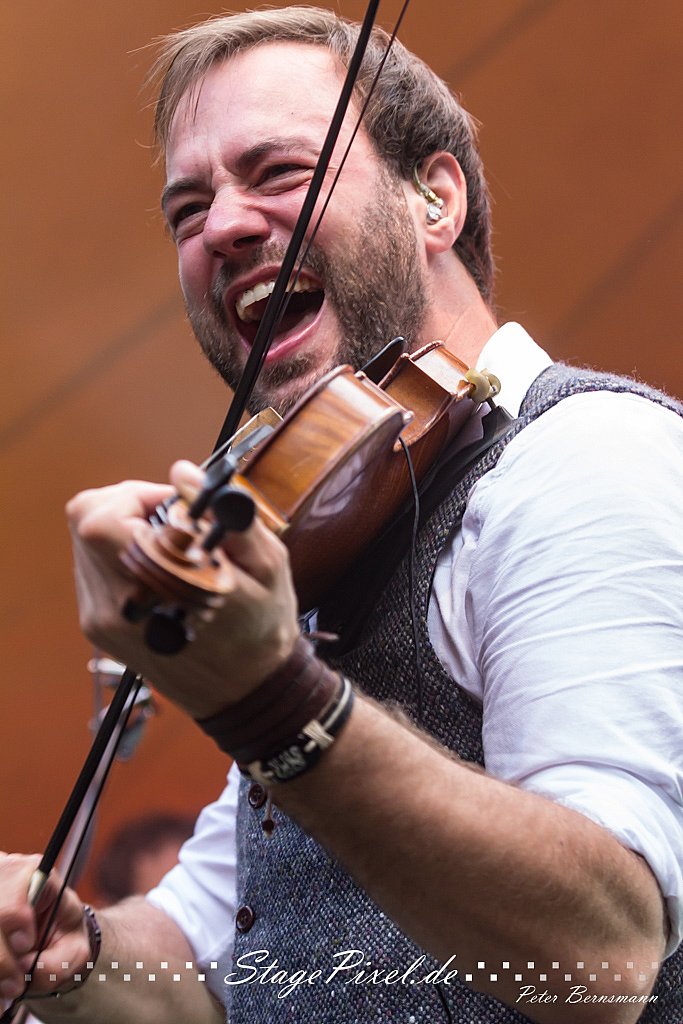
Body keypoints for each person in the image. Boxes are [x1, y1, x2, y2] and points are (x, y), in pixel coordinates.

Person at [0, 8, 681, 1023]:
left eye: (279, 172)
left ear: (434, 199)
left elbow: (602, 959)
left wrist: (272, 700)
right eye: (188, 209)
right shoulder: (332, 538)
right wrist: (74, 953)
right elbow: (212, 969)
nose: (222, 227)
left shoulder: (582, 458)